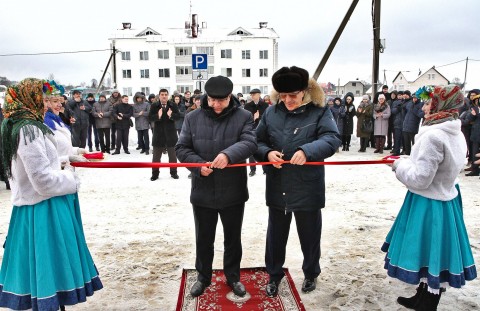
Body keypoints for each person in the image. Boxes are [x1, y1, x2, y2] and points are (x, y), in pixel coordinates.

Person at [0, 78, 102, 311]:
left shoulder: (23, 125)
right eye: (43, 99)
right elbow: (42, 180)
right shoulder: (29, 130)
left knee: (46, 271)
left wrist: (66, 160)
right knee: (48, 270)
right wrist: (71, 179)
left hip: (36, 206)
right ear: (31, 99)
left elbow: (41, 164)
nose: (48, 105)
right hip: (43, 209)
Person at [382, 85, 477, 310]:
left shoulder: (433, 135)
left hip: (428, 202)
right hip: (446, 198)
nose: (423, 108)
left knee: (427, 250)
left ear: (439, 105)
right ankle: (424, 295)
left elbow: (420, 179)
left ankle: (428, 302)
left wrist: (398, 165)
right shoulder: (454, 130)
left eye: (428, 103)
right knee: (436, 250)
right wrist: (409, 159)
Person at [254, 66, 342, 297]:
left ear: (304, 91)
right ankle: (274, 275)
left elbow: (332, 138)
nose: (288, 100)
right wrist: (266, 154)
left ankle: (311, 273)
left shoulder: (319, 112)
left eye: (292, 95)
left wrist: (308, 150)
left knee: (310, 235)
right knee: (275, 236)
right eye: (283, 96)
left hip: (308, 184)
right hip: (278, 183)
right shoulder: (271, 113)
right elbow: (257, 140)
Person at [175, 75, 257, 298]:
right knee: (204, 238)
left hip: (233, 190)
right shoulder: (192, 117)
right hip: (203, 189)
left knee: (232, 238)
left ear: (230, 97)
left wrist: (228, 155)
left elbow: (250, 143)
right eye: (212, 100)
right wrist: (198, 166)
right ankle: (203, 276)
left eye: (221, 101)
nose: (216, 105)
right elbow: (181, 148)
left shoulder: (244, 116)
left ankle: (233, 277)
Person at [148, 89, 180, 180]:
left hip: (171, 134)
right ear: (159, 95)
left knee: (173, 156)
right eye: (162, 94)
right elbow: (150, 117)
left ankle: (174, 172)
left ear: (168, 95)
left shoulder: (173, 105)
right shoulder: (154, 105)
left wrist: (171, 115)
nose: (164, 96)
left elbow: (178, 116)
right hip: (158, 134)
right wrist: (158, 115)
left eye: (166, 94)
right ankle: (155, 174)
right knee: (156, 157)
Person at [243, 88, 268, 176]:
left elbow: (267, 118)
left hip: (262, 130)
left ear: (259, 94)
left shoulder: (265, 105)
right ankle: (252, 169)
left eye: (254, 94)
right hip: (252, 129)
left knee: (264, 148)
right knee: (251, 149)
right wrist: (253, 118)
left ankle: (265, 168)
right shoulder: (247, 106)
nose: (252, 96)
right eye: (251, 94)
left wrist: (259, 116)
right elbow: (245, 119)